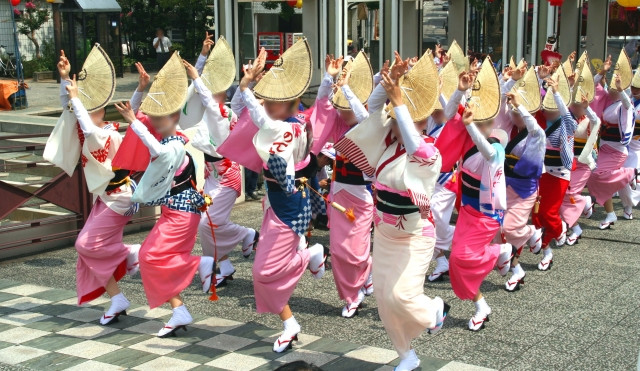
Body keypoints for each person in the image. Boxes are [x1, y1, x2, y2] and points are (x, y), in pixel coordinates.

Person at [336, 53, 449, 371]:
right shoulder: (385, 145)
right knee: (385, 301)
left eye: (405, 119)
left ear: (421, 122)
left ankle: (434, 310)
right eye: (397, 117)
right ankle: (407, 356)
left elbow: (416, 147)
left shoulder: (429, 152)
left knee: (402, 296)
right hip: (385, 233)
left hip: (416, 235)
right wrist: (383, 82)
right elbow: (372, 110)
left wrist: (400, 103)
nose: (396, 123)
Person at [228, 43, 326, 353]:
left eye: (274, 102)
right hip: (279, 202)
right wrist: (251, 86)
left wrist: (247, 86)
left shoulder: (288, 128)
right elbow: (251, 115)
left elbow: (259, 119)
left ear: (293, 103)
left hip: (289, 207)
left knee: (264, 271)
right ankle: (289, 323)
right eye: (267, 101)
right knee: (263, 273)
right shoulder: (292, 124)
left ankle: (310, 255)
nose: (267, 106)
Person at [114, 54, 214, 338]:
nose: (153, 122)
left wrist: (135, 123)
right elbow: (135, 113)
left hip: (181, 214)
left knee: (150, 256)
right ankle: (178, 309)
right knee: (156, 261)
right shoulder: (170, 134)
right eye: (152, 118)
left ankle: (200, 264)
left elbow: (156, 150)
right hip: (179, 211)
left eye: (157, 118)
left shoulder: (174, 145)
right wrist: (140, 90)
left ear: (173, 116)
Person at [44, 48, 140, 325]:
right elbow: (71, 111)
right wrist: (65, 80)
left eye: (83, 106)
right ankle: (117, 298)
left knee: (84, 244)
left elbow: (89, 128)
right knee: (87, 253)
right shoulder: (95, 127)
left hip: (119, 198)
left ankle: (130, 252)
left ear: (96, 108)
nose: (77, 111)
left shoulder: (106, 133)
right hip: (106, 198)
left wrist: (76, 99)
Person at [184, 33, 258, 288]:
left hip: (227, 177)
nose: (207, 91)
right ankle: (224, 264)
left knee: (208, 223)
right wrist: (203, 57)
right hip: (212, 175)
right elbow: (200, 88)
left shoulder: (221, 112)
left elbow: (202, 90)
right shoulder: (221, 108)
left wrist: (197, 76)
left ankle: (247, 234)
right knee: (208, 225)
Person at [446, 66, 514, 332]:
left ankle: (500, 250)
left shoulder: (496, 144)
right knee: (456, 262)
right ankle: (481, 306)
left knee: (463, 257)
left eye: (486, 121)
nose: (479, 122)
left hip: (487, 213)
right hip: (467, 211)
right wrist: (461, 89)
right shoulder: (468, 135)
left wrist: (473, 126)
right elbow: (449, 113)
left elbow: (488, 153)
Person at [311, 53, 374, 318]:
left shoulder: (371, 125)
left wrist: (347, 90)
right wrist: (329, 77)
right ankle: (351, 295)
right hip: (339, 192)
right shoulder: (338, 123)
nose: (343, 111)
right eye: (342, 106)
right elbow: (321, 108)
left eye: (348, 106)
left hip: (362, 194)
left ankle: (364, 273)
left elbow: (364, 120)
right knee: (338, 250)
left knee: (356, 251)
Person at [531, 71, 577, 271]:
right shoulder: (540, 118)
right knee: (537, 215)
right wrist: (538, 78)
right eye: (545, 107)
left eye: (552, 109)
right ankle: (546, 251)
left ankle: (560, 230)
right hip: (542, 172)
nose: (547, 111)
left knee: (550, 213)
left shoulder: (566, 122)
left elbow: (569, 119)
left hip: (559, 174)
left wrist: (558, 93)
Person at [501, 88, 545, 292]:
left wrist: (520, 105)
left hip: (525, 190)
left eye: (519, 113)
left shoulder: (537, 134)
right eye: (514, 112)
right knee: (499, 231)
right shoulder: (513, 129)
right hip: (506, 187)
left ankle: (532, 232)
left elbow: (536, 130)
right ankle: (517, 269)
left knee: (510, 228)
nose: (514, 116)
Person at [587, 55, 636, 229]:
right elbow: (591, 85)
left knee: (597, 176)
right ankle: (610, 213)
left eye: (619, 88)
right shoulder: (607, 99)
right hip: (604, 146)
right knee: (596, 179)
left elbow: (628, 106)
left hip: (617, 151)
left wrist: (620, 89)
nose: (614, 90)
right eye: (613, 87)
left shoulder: (625, 103)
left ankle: (630, 173)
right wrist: (603, 71)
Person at [618, 69, 640, 218]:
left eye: (637, 89)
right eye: (633, 87)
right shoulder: (628, 98)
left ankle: (629, 206)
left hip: (637, 146)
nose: (634, 90)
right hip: (622, 145)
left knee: (635, 179)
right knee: (622, 179)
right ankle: (628, 206)